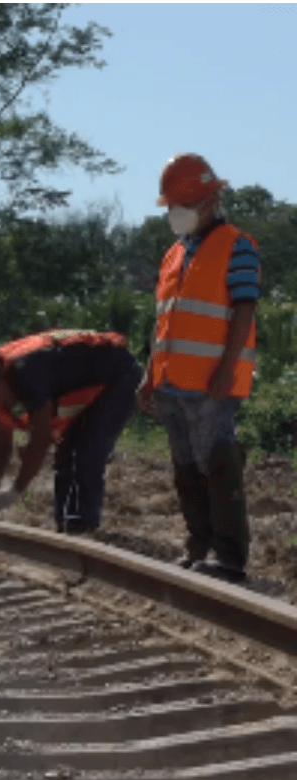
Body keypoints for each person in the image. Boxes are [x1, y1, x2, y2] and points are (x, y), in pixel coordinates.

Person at [137, 154, 260, 584]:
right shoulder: (174, 254)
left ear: (209, 201)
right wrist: (149, 376)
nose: (174, 213)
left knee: (218, 465)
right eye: (170, 206)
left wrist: (227, 370)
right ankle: (199, 547)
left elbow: (245, 309)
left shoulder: (237, 245)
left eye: (180, 205)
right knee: (187, 469)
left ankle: (229, 559)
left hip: (211, 384)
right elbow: (165, 323)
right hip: (172, 383)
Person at [0, 330, 141, 533]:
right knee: (66, 454)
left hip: (120, 379)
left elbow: (41, 438)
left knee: (87, 451)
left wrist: (15, 490)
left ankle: (83, 527)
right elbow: (1, 433)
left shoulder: (27, 372)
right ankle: (64, 524)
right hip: (90, 380)